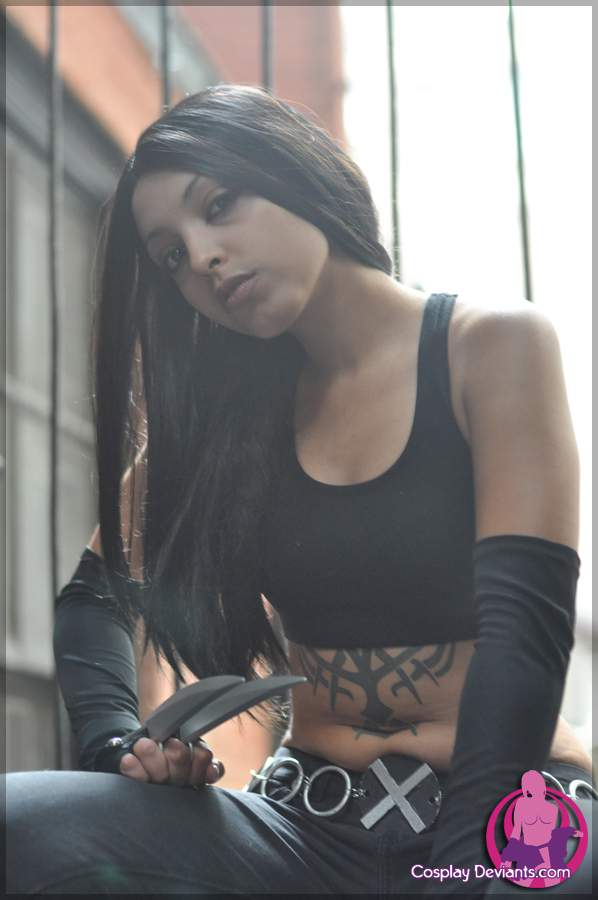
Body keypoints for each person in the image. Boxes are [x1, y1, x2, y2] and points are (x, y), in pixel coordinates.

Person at [5, 83, 596, 896]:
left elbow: (526, 635)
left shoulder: (490, 347)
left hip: (513, 817)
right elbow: (93, 598)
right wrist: (118, 749)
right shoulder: (225, 429)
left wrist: (463, 868)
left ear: (294, 169)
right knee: (19, 825)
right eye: (171, 256)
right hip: (306, 827)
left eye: (219, 205)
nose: (202, 258)